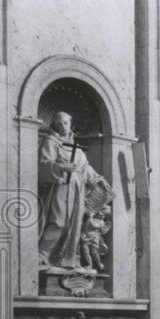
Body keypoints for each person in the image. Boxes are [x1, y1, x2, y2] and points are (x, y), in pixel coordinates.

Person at [38, 110, 111, 269]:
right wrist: (61, 167)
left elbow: (86, 169)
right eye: (58, 123)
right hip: (61, 185)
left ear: (71, 124)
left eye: (65, 122)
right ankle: (42, 254)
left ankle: (66, 258)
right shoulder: (50, 142)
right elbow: (43, 164)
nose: (62, 126)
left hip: (77, 189)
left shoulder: (77, 147)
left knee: (74, 224)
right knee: (58, 221)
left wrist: (100, 180)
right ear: (54, 125)